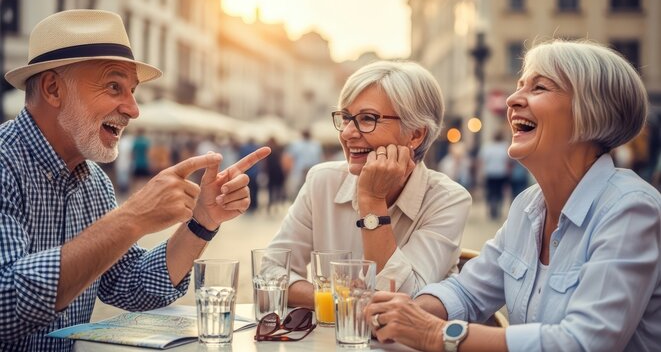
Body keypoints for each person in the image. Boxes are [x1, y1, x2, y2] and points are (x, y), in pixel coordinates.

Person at [365, 40, 661, 352]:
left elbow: (582, 342)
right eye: (519, 86)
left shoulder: (630, 209)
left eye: (540, 87)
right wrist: (400, 314)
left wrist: (432, 334)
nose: (512, 99)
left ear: (592, 111)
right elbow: (467, 293)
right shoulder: (528, 207)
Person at [0, 10, 270, 351]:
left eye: (132, 90)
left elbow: (130, 283)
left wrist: (202, 221)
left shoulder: (93, 180)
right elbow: (5, 306)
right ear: (53, 89)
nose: (133, 109)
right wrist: (132, 217)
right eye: (114, 86)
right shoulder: (5, 164)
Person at [266, 61, 472, 308]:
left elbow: (404, 300)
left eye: (367, 119)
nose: (347, 133)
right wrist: (338, 300)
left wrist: (372, 201)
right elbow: (269, 272)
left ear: (416, 135)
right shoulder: (322, 180)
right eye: (345, 118)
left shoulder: (448, 199)